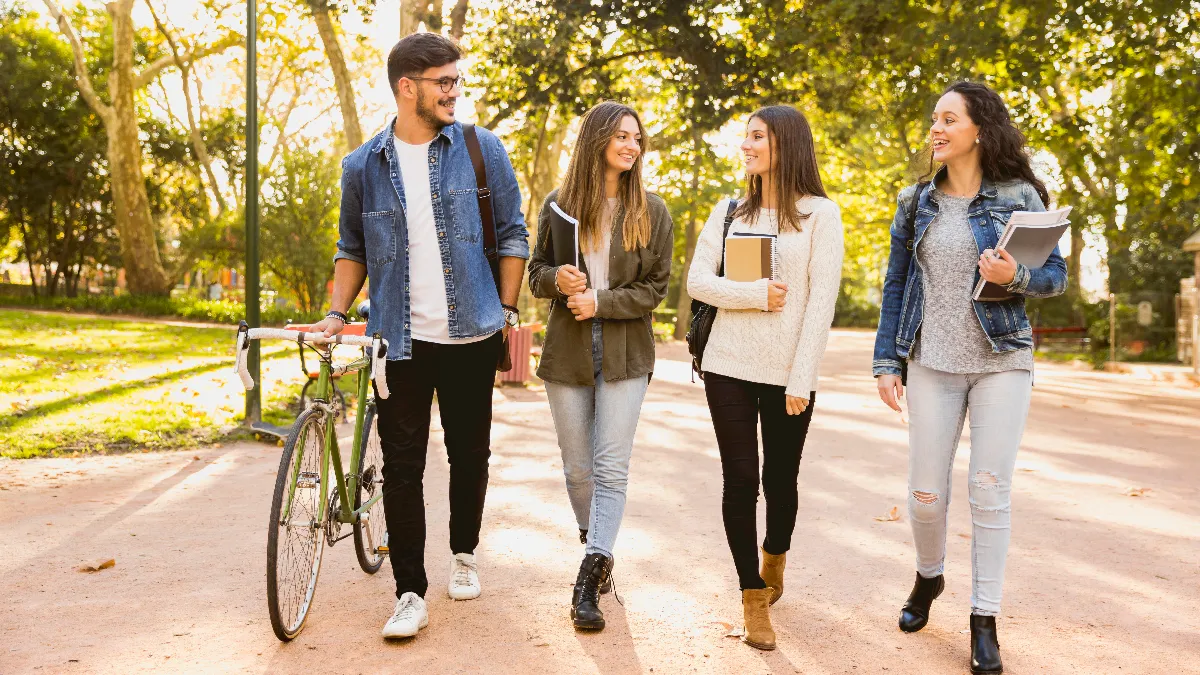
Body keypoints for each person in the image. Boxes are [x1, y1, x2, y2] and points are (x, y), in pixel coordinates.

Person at [311, 32, 529, 640]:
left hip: (471, 337)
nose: (454, 92)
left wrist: (506, 311)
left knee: (469, 455)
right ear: (408, 88)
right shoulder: (363, 166)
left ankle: (464, 554)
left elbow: (512, 234)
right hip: (398, 344)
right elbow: (351, 249)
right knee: (401, 468)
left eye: (457, 80)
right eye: (444, 82)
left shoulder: (482, 149)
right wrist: (335, 313)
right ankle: (409, 590)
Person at [872, 81, 1067, 674]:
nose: (936, 128)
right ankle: (929, 577)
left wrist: (1016, 277)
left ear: (978, 129)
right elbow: (897, 283)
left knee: (989, 489)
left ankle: (984, 619)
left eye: (948, 118)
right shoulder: (915, 201)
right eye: (934, 118)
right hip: (931, 361)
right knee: (925, 498)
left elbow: (1054, 277)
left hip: (1002, 360)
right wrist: (887, 361)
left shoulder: (1022, 196)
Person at [686, 105, 844, 651]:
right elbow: (698, 282)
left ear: (786, 144)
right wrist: (754, 295)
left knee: (780, 479)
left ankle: (774, 554)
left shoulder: (822, 214)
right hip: (726, 364)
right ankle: (752, 595)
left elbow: (820, 302)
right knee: (739, 479)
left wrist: (802, 377)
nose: (747, 145)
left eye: (757, 136)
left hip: (788, 374)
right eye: (746, 137)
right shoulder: (729, 210)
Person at [527, 101, 673, 631]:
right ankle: (600, 548)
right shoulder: (558, 206)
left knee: (610, 466)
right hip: (567, 353)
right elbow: (536, 273)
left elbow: (655, 289)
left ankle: (588, 575)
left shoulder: (652, 212)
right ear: (596, 141)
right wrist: (556, 282)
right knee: (577, 468)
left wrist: (601, 302)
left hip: (626, 355)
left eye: (638, 138)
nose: (632, 146)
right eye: (622, 136)